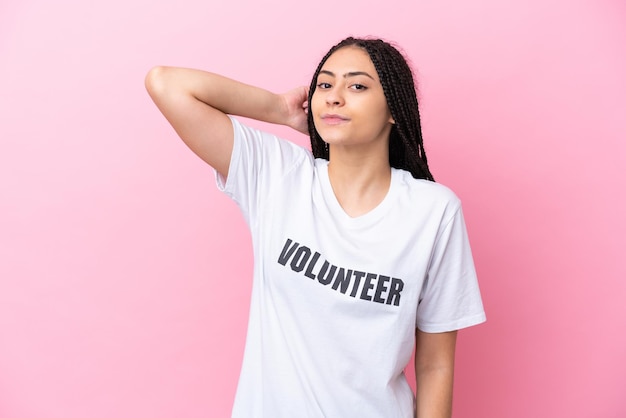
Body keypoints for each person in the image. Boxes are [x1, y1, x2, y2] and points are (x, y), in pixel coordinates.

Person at [145, 36, 486, 418]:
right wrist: (277, 108)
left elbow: (435, 365)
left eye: (356, 85)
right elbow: (166, 83)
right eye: (325, 84)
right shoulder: (279, 176)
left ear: (394, 109)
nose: (334, 96)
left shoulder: (433, 211)